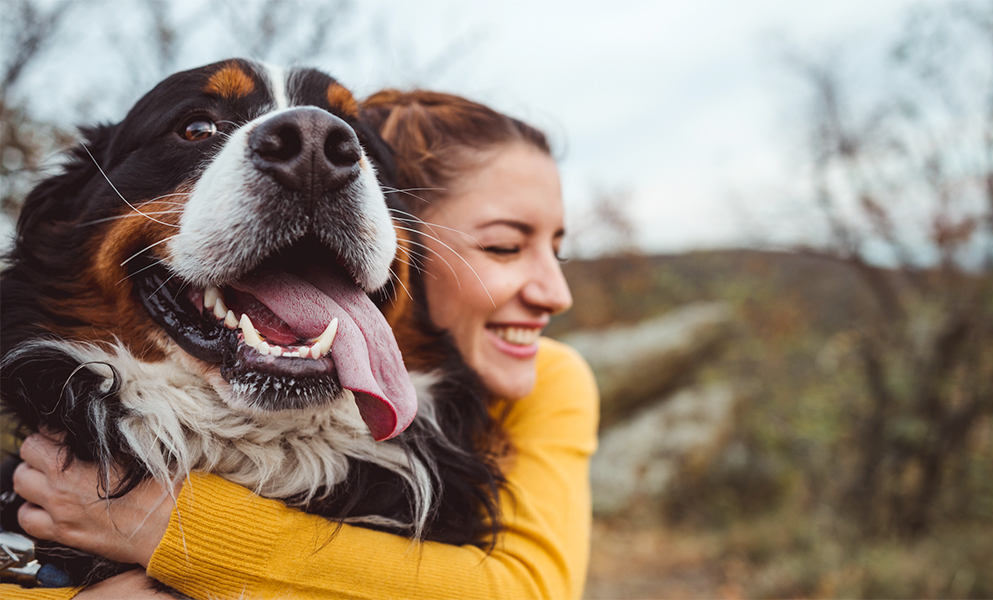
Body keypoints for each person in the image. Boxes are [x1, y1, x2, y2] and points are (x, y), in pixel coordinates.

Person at [6, 90, 599, 600]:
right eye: (503, 247)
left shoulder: (553, 376)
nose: (558, 293)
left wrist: (169, 528)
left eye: (558, 249)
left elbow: (526, 588)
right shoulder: (45, 480)